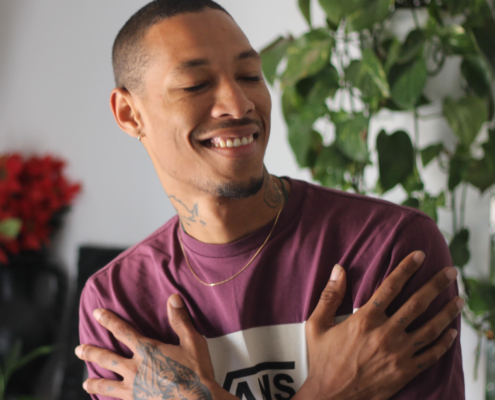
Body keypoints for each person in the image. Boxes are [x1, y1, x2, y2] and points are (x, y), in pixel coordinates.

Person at [76, 1, 465, 399]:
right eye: (196, 84)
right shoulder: (119, 304)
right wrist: (332, 391)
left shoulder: (388, 248)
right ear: (129, 114)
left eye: (249, 75)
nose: (239, 104)